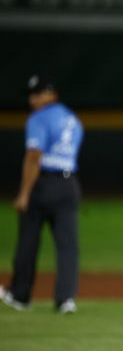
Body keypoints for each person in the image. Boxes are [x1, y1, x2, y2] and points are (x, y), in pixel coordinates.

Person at [0, 75, 84, 314]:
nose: (33, 99)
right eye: (31, 94)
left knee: (28, 241)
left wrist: (24, 193)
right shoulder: (73, 119)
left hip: (43, 184)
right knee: (68, 246)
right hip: (69, 184)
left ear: (51, 94)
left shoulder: (38, 118)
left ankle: (20, 296)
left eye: (37, 93)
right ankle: (66, 299)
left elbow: (34, 157)